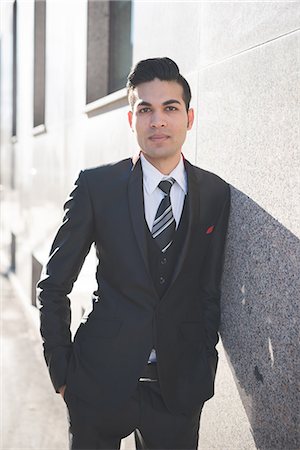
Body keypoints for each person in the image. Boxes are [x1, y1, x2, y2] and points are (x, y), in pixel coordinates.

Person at [37, 57, 230, 450]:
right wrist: (61, 371)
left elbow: (209, 291)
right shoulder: (97, 186)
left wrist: (202, 364)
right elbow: (54, 285)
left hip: (177, 392)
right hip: (97, 382)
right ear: (131, 121)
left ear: (189, 118)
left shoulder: (214, 194)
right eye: (145, 109)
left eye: (170, 108)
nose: (157, 120)